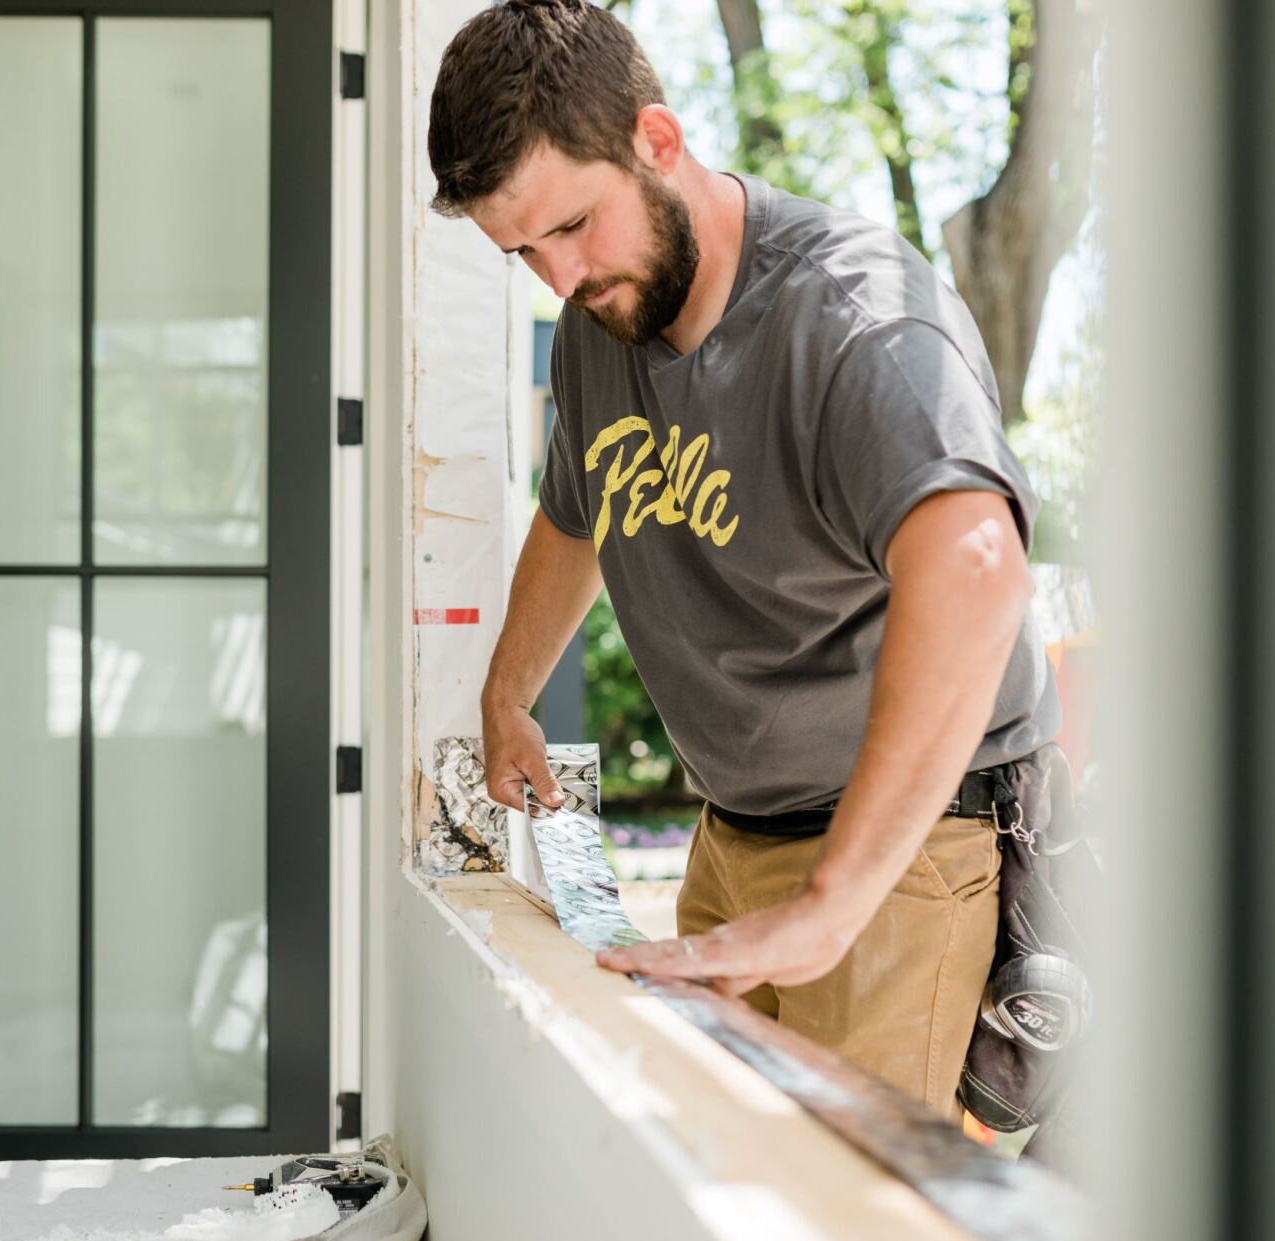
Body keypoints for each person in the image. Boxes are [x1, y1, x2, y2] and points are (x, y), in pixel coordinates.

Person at [427, 0, 1061, 1119]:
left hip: (898, 866)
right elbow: (580, 510)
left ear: (657, 142)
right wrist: (507, 691)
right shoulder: (600, 324)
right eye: (522, 251)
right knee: (727, 1188)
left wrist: (829, 903)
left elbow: (976, 561)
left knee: (848, 1226)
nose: (558, 278)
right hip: (733, 841)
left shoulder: (855, 317)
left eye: (573, 226)